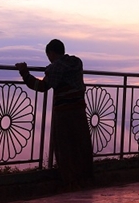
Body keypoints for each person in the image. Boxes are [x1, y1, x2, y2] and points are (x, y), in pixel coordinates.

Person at [16, 39, 94, 187]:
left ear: (51, 53)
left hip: (64, 113)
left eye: (48, 56)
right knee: (81, 144)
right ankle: (86, 177)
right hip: (79, 109)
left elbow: (42, 86)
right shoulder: (77, 63)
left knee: (65, 147)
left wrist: (25, 73)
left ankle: (71, 181)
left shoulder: (55, 68)